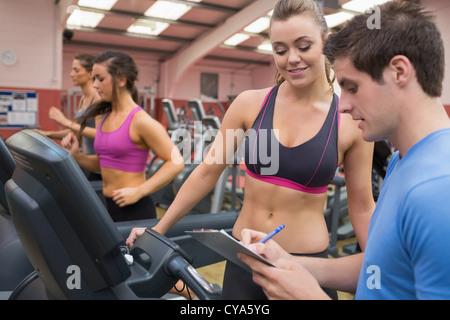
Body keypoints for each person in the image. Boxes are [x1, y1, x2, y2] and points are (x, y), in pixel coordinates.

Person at [127, 0, 375, 300]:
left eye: (304, 46)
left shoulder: (350, 119)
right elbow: (207, 171)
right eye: (280, 50)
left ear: (325, 42)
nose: (292, 58)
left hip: (307, 265)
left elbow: (361, 205)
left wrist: (378, 264)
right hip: (244, 259)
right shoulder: (250, 103)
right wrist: (159, 229)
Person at [238, 0, 450, 300]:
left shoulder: (439, 189)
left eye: (351, 87)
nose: (345, 105)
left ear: (399, 72)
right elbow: (381, 269)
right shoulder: (402, 163)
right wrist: (288, 262)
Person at [62, 51, 184, 222]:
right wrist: (77, 156)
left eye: (100, 78)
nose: (95, 85)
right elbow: (102, 162)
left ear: (121, 80)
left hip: (135, 209)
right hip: (108, 205)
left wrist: (139, 191)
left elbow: (176, 162)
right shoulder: (103, 117)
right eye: (94, 78)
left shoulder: (140, 121)